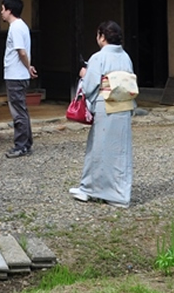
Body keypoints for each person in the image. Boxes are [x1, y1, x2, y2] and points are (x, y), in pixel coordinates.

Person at [70, 21, 136, 208]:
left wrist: (85, 75)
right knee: (119, 151)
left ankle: (90, 188)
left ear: (102, 36)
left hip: (105, 105)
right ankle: (120, 193)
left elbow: (91, 86)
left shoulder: (98, 58)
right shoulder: (126, 57)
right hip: (124, 106)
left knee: (98, 149)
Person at [0, 0, 36, 158]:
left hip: (15, 74)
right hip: (18, 73)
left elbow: (21, 51)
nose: (1, 12)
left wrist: (28, 66)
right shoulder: (22, 26)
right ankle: (26, 143)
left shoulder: (15, 27)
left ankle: (20, 145)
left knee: (17, 111)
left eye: (3, 9)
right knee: (21, 109)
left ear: (10, 10)